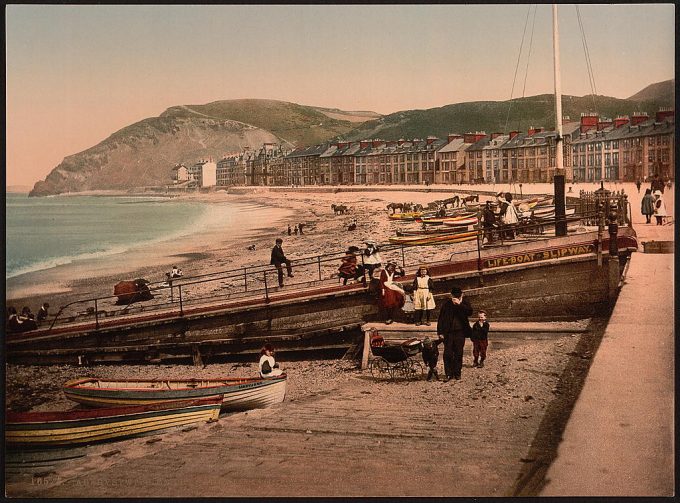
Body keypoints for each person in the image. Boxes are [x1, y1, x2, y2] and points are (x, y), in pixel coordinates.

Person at [436, 286, 472, 381]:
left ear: (462, 295)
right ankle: (448, 374)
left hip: (460, 332)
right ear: (451, 295)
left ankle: (457, 373)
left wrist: (460, 304)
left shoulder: (464, 303)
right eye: (454, 296)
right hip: (448, 333)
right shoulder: (447, 304)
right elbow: (441, 319)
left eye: (458, 295)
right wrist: (440, 332)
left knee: (458, 353)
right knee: (447, 354)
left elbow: (470, 312)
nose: (456, 297)